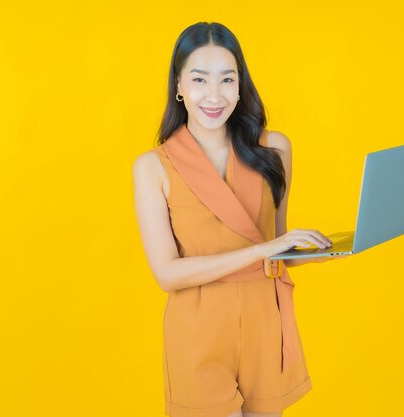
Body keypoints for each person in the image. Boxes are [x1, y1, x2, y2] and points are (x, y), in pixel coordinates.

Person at [133, 21, 349, 417]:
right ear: (178, 86)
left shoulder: (274, 149)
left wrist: (326, 251)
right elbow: (167, 274)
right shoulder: (153, 167)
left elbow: (279, 246)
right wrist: (268, 249)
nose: (214, 95)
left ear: (240, 84)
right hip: (199, 328)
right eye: (199, 79)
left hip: (263, 321)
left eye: (226, 80)